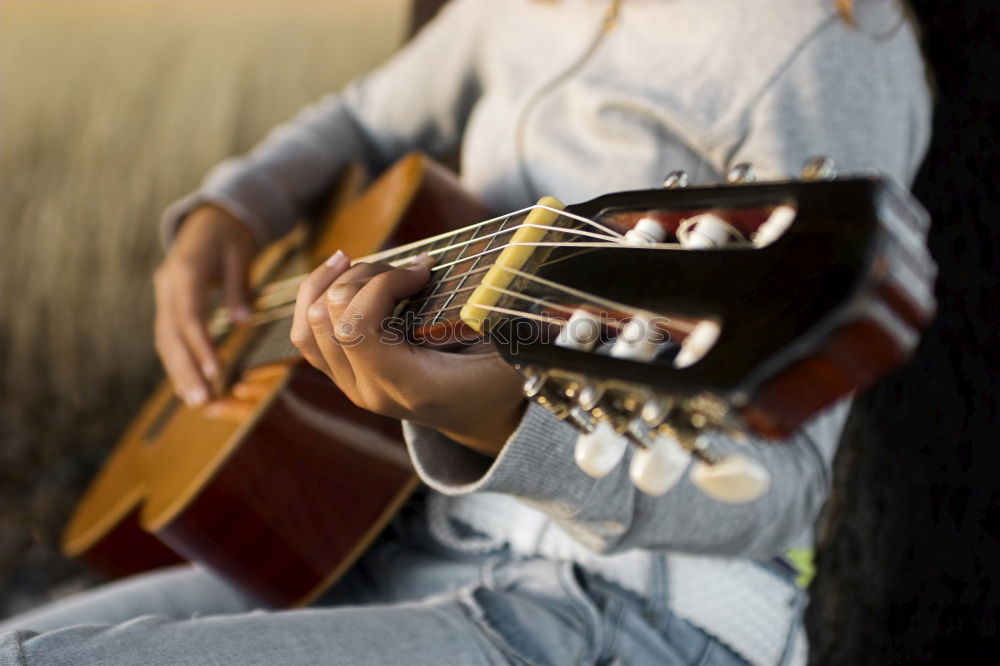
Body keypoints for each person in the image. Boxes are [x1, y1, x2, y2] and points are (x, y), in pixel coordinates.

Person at [0, 1, 931, 664]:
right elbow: (364, 117)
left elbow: (782, 495)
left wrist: (507, 428)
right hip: (403, 534)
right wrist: (229, 213)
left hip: (631, 605)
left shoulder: (818, 42)